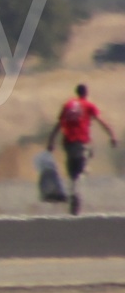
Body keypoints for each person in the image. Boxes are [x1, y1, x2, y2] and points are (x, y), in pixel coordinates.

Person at [46, 83, 116, 216]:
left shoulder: (67, 105)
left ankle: (73, 192)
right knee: (80, 168)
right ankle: (76, 194)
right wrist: (112, 135)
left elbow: (59, 124)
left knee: (72, 170)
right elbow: (101, 122)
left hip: (68, 143)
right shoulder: (88, 105)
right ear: (86, 93)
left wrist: (51, 141)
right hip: (81, 142)